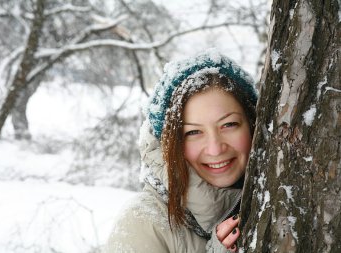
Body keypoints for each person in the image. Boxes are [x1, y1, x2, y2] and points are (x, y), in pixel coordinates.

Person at [104, 48, 258, 253]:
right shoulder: (143, 224)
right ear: (170, 142)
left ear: (252, 124)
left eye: (228, 125)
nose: (215, 148)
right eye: (193, 132)